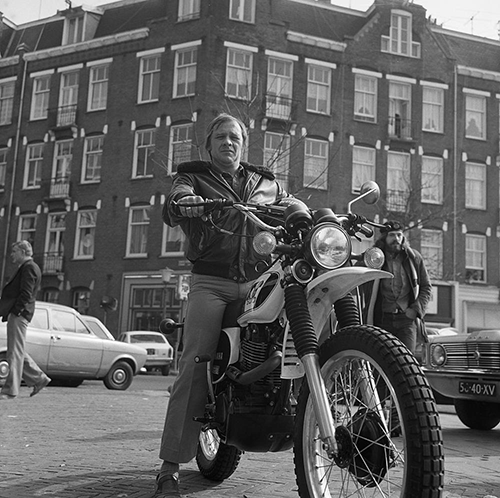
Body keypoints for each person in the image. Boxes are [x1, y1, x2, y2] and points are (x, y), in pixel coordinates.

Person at [152, 113, 289, 497]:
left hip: (259, 282)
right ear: (209, 145)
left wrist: (305, 211)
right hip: (212, 283)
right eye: (221, 137)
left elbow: (289, 202)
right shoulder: (193, 177)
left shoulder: (264, 182)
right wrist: (186, 203)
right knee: (195, 363)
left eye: (235, 138)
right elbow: (174, 204)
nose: (228, 143)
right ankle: (169, 468)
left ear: (243, 144)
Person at [364, 221, 432, 354]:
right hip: (381, 319)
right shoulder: (373, 257)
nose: (396, 239)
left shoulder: (414, 258)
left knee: (407, 359)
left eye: (399, 235)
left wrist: (415, 310)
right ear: (383, 238)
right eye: (392, 235)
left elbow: (426, 287)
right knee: (380, 360)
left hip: (406, 320)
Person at [0, 241, 51, 400]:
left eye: (14, 251)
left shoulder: (28, 268)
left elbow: (26, 294)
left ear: (23, 252)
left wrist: (16, 311)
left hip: (20, 314)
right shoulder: (28, 267)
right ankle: (38, 379)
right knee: (17, 350)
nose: (12, 255)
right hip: (20, 313)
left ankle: (10, 390)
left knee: (14, 353)